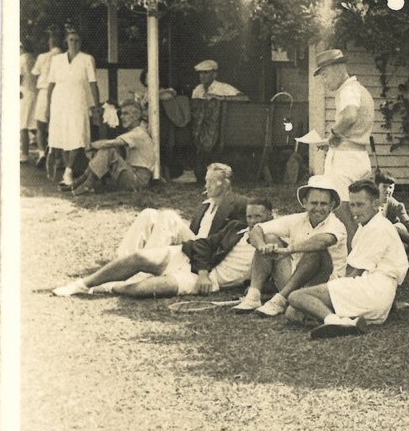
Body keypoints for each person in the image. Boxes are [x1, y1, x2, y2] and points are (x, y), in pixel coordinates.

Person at [52, 199, 273, 298]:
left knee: (144, 289)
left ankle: (109, 287)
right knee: (139, 257)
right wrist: (203, 272)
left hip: (205, 281)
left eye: (258, 216)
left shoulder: (274, 240)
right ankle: (81, 284)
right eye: (250, 216)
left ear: (271, 216)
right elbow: (203, 244)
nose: (253, 221)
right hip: (190, 260)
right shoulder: (237, 228)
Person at [287, 180, 409, 338]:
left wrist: (332, 288)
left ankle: (335, 322)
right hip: (377, 296)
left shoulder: (377, 228)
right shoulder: (369, 224)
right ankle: (346, 321)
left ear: (375, 204)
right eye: (352, 205)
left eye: (360, 205)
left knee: (296, 296)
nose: (355, 211)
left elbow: (356, 273)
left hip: (371, 291)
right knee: (293, 312)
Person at [233, 175, 348, 317]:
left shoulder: (336, 225)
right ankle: (253, 296)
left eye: (323, 204)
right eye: (314, 203)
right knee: (269, 238)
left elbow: (323, 241)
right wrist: (263, 246)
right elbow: (257, 229)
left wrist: (288, 250)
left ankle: (279, 300)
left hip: (324, 286)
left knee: (316, 252)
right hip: (295, 280)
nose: (318, 208)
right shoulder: (296, 219)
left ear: (331, 205)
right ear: (305, 203)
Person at [115, 163, 248, 258]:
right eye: (206, 181)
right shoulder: (206, 204)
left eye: (212, 181)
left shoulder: (238, 203)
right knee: (148, 214)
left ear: (225, 184)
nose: (207, 185)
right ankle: (123, 259)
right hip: (194, 244)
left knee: (169, 216)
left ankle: (148, 261)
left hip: (207, 250)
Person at [312, 48, 377, 245]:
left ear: (338, 69)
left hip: (346, 161)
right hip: (356, 155)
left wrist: (332, 135)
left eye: (325, 74)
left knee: (344, 213)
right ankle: (361, 255)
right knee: (360, 214)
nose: (324, 80)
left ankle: (350, 262)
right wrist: (330, 141)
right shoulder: (358, 89)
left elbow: (350, 116)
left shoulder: (348, 90)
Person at [62, 99, 155, 195]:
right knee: (108, 150)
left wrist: (90, 145)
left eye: (126, 114)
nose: (122, 117)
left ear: (137, 116)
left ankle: (86, 185)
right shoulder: (135, 132)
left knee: (108, 150)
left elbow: (109, 143)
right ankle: (81, 183)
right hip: (133, 174)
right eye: (121, 114)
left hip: (138, 180)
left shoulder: (138, 133)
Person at [46, 28, 101, 187]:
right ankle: (67, 173)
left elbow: (93, 84)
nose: (74, 43)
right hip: (59, 101)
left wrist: (96, 106)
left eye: (77, 40)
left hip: (78, 100)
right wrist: (49, 107)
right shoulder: (57, 59)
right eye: (71, 40)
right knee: (63, 136)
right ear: (66, 41)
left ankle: (68, 169)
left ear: (81, 43)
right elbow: (51, 84)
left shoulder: (87, 59)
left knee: (77, 135)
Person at [31, 27, 62, 167]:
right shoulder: (64, 57)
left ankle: (42, 152)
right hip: (59, 91)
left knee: (40, 125)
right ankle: (56, 155)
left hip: (44, 91)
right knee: (57, 125)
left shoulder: (42, 57)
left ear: (50, 41)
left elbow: (35, 72)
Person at [19, 41, 37, 163]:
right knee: (34, 124)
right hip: (34, 92)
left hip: (24, 92)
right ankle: (43, 149)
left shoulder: (21, 59)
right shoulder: (33, 58)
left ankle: (24, 154)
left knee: (23, 125)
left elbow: (18, 77)